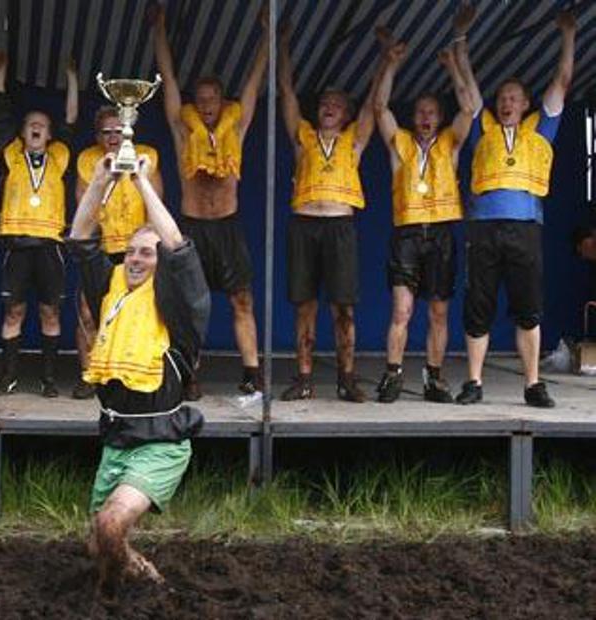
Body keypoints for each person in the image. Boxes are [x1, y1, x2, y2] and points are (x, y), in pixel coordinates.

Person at [70, 153, 209, 599]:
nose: (135, 258)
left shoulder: (181, 303)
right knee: (100, 544)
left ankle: (112, 599)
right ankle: (150, 579)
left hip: (160, 443)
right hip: (117, 439)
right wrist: (101, 180)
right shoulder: (110, 289)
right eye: (131, 250)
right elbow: (81, 237)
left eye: (146, 253)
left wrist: (143, 182)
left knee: (111, 524)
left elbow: (177, 246)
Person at [452, 5, 576, 407]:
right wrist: (461, 38)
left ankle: (533, 384)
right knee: (478, 307)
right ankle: (474, 383)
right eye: (502, 98)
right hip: (483, 230)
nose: (506, 103)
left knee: (528, 309)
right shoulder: (483, 127)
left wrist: (568, 36)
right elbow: (468, 87)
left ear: (525, 104)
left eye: (513, 98)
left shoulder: (542, 129)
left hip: (525, 229)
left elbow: (562, 80)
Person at [151, 3, 269, 399]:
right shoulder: (183, 132)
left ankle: (252, 373)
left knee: (242, 300)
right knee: (189, 304)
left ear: (221, 101)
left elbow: (253, 84)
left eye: (212, 98)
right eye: (200, 99)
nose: (205, 105)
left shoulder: (237, 127)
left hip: (228, 226)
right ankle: (190, 374)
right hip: (193, 226)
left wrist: (267, 39)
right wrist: (159, 30)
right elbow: (168, 79)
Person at [277, 21, 380, 402]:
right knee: (304, 306)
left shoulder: (354, 141)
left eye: (337, 105)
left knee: (343, 308)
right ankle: (304, 378)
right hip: (304, 224)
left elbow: (373, 105)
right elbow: (286, 91)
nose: (329, 108)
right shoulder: (303, 137)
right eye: (324, 103)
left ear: (347, 113)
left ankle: (346, 379)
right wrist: (282, 45)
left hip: (340, 226)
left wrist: (386, 61)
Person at [372, 29, 475, 403]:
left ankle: (434, 378)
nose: (426, 116)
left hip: (442, 233)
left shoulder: (450, 142)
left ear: (440, 117)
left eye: (432, 112)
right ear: (413, 117)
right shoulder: (399, 143)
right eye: (420, 111)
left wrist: (453, 68)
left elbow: (469, 108)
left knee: (438, 312)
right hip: (407, 233)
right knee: (402, 310)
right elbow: (380, 108)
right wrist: (390, 64)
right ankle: (392, 374)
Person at [0, 52, 78, 397]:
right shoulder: (11, 154)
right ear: (23, 132)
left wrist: (72, 79)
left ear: (50, 134)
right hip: (17, 245)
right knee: (14, 311)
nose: (36, 127)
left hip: (50, 247)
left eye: (42, 124)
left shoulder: (60, 157)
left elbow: (71, 118)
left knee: (49, 311)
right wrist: (0, 75)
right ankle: (8, 376)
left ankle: (49, 379)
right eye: (30, 124)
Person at [71, 106, 165, 399]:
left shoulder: (146, 156)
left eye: (118, 131)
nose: (113, 137)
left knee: (145, 312)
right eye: (106, 132)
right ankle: (89, 374)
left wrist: (147, 246)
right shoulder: (88, 160)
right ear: (97, 136)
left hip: (137, 252)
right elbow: (84, 207)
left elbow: (156, 207)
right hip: (103, 250)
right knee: (88, 314)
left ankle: (139, 371)